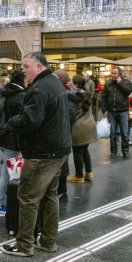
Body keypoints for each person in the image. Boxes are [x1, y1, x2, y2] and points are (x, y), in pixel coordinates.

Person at [1, 52, 71, 257]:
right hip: (58, 150)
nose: (23, 69)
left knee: (28, 197)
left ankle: (24, 245)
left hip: (42, 152)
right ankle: (48, 241)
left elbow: (30, 121)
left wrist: (11, 122)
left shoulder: (39, 88)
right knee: (49, 196)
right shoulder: (54, 82)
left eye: (26, 66)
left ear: (39, 66)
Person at [0, 69, 26, 217]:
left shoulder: (4, 91)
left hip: (2, 136)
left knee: (8, 174)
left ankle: (2, 204)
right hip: (12, 139)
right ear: (23, 80)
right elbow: (20, 122)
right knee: (9, 175)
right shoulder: (21, 95)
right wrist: (21, 146)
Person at [53, 70, 81, 200]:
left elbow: (71, 116)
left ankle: (62, 191)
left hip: (63, 133)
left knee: (62, 162)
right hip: (59, 132)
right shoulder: (59, 92)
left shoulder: (67, 94)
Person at [67, 75, 97, 183]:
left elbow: (71, 112)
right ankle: (89, 172)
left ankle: (79, 175)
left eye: (71, 82)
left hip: (79, 127)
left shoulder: (75, 96)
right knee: (84, 150)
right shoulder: (87, 93)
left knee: (77, 152)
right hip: (89, 124)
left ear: (75, 85)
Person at [100, 67, 132, 159]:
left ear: (119, 74)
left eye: (115, 73)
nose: (113, 75)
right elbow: (104, 97)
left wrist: (120, 83)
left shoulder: (126, 82)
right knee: (112, 134)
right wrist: (104, 110)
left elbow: (128, 92)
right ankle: (113, 151)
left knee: (124, 134)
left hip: (123, 111)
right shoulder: (108, 84)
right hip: (112, 112)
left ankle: (125, 151)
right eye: (112, 73)